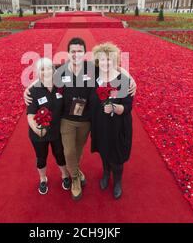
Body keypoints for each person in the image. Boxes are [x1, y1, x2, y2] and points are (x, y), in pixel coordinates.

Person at [24, 37, 136, 201]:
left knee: (77, 150)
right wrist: (28, 87)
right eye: (72, 51)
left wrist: (131, 78)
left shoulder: (92, 68)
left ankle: (76, 170)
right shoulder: (61, 70)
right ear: (68, 53)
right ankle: (75, 178)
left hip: (86, 120)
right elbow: (45, 73)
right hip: (66, 120)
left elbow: (113, 66)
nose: (76, 54)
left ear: (85, 53)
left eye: (79, 51)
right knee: (68, 151)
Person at [90, 43, 133, 199]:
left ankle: (117, 181)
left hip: (118, 126)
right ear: (97, 61)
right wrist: (30, 86)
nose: (105, 63)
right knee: (103, 151)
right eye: (102, 59)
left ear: (115, 61)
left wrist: (114, 108)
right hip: (100, 125)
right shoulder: (94, 77)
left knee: (116, 156)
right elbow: (59, 69)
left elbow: (127, 106)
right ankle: (106, 174)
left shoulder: (122, 80)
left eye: (109, 60)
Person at [26, 57, 70, 195]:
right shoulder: (34, 90)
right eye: (42, 69)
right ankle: (42, 178)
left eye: (49, 68)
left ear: (54, 70)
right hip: (39, 133)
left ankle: (64, 175)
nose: (46, 72)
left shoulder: (61, 85)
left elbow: (78, 65)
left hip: (57, 131)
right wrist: (37, 129)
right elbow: (30, 115)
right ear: (38, 72)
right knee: (41, 157)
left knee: (60, 154)